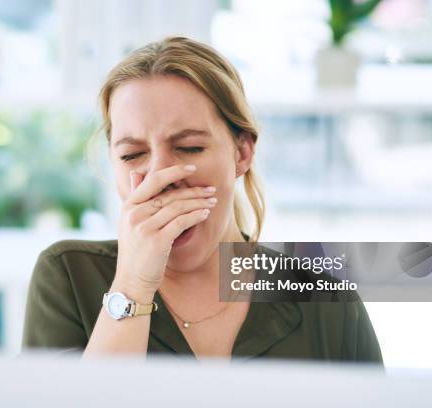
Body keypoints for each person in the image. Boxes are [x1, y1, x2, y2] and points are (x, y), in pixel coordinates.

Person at [22, 36, 383, 364]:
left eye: (189, 148)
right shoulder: (68, 275)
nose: (162, 178)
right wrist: (132, 286)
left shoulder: (326, 301)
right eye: (132, 155)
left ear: (241, 153)